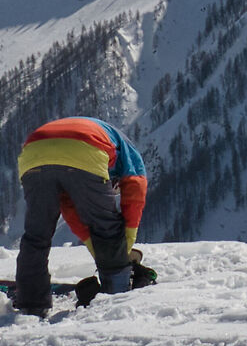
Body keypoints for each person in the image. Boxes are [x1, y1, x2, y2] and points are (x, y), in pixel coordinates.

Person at [9, 116, 147, 314]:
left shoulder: (108, 139)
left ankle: (31, 303)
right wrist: (124, 246)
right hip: (86, 148)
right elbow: (135, 196)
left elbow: (70, 207)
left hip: (33, 152)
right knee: (107, 226)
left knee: (36, 235)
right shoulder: (129, 154)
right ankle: (117, 291)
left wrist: (97, 248)